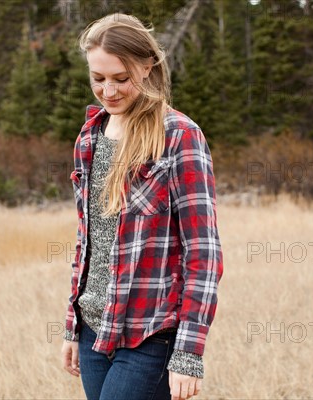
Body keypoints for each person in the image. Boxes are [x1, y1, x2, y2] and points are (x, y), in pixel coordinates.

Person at [60, 12, 224, 400]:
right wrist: (72, 327)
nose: (108, 90)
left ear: (148, 67)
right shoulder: (90, 137)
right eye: (98, 79)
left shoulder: (179, 136)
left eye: (121, 78)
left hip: (151, 335)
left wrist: (188, 353)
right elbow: (88, 242)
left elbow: (203, 252)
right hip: (93, 332)